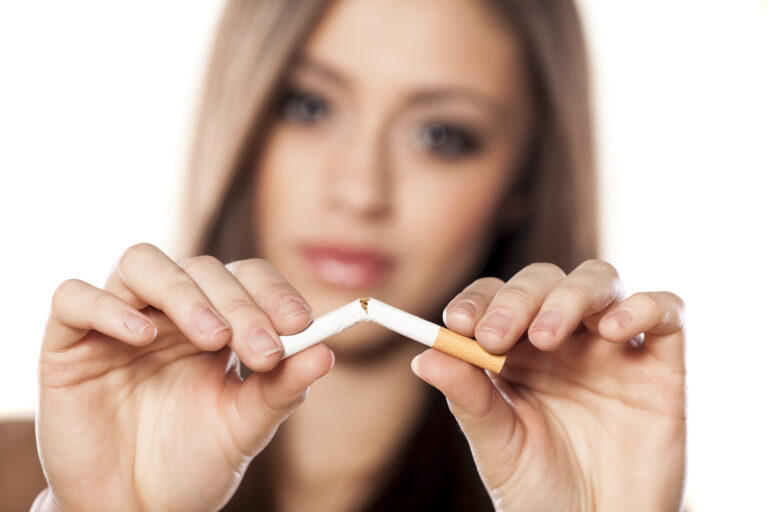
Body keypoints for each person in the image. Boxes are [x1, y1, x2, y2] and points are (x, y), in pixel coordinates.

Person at [29, 0, 687, 510]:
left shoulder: (611, 490)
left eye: (441, 135)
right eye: (308, 105)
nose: (359, 190)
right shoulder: (32, 480)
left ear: (522, 179)